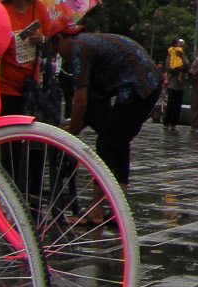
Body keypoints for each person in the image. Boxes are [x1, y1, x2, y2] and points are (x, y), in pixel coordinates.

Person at [54, 28, 163, 185]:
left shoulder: (79, 46)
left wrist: (72, 129)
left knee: (106, 144)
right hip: (151, 83)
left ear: (60, 39)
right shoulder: (90, 42)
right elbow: (93, 103)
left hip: (137, 85)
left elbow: (81, 100)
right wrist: (76, 127)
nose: (61, 55)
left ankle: (97, 206)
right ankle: (120, 201)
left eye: (57, 49)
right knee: (119, 142)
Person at [0, 0, 53, 120]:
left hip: (31, 86)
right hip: (5, 86)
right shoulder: (2, 10)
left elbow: (52, 42)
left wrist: (41, 39)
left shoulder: (38, 8)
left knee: (28, 135)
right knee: (9, 134)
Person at [161, 38, 187, 130]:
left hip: (180, 84)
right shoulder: (171, 54)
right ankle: (167, 122)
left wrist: (182, 57)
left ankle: (174, 123)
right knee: (170, 103)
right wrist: (176, 70)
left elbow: (187, 65)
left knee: (177, 104)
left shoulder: (182, 54)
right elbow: (169, 67)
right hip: (172, 83)